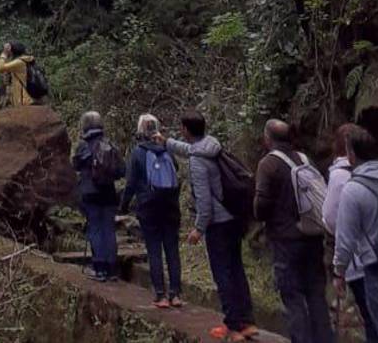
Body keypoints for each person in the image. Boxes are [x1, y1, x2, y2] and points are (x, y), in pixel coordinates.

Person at [161, 111, 258, 342]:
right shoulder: (212, 146)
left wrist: (198, 228)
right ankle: (247, 322)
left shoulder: (197, 161)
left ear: (186, 130)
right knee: (236, 270)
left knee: (222, 274)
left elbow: (204, 201)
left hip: (218, 224)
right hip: (234, 219)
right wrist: (165, 142)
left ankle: (232, 327)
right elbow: (189, 150)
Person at [254, 119, 334, 343]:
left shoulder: (268, 164)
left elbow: (260, 208)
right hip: (312, 236)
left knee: (293, 297)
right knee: (316, 294)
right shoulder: (305, 159)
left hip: (285, 241)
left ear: (268, 138)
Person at [331, 127, 378, 343]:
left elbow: (345, 239)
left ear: (352, 155)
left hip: (377, 268)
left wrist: (339, 272)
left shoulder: (352, 190)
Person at [323, 124, 378, 343]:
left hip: (360, 261)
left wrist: (339, 271)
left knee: (372, 318)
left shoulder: (340, 177)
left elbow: (330, 218)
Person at [120, 114, 184, 307]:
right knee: (172, 250)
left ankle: (160, 295)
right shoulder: (166, 150)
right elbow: (176, 170)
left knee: (154, 250)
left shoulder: (138, 152)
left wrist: (123, 206)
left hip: (149, 208)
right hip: (171, 207)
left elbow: (130, 183)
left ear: (140, 131)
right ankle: (176, 294)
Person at [72, 111, 123, 282]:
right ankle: (112, 268)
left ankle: (99, 267)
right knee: (109, 229)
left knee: (95, 228)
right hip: (108, 193)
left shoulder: (83, 146)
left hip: (90, 193)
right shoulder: (110, 144)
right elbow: (121, 170)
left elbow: (75, 165)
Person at [0, 42, 35, 108]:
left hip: (23, 98)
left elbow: (1, 68)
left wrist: (4, 54)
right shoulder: (25, 60)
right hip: (27, 96)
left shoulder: (19, 62)